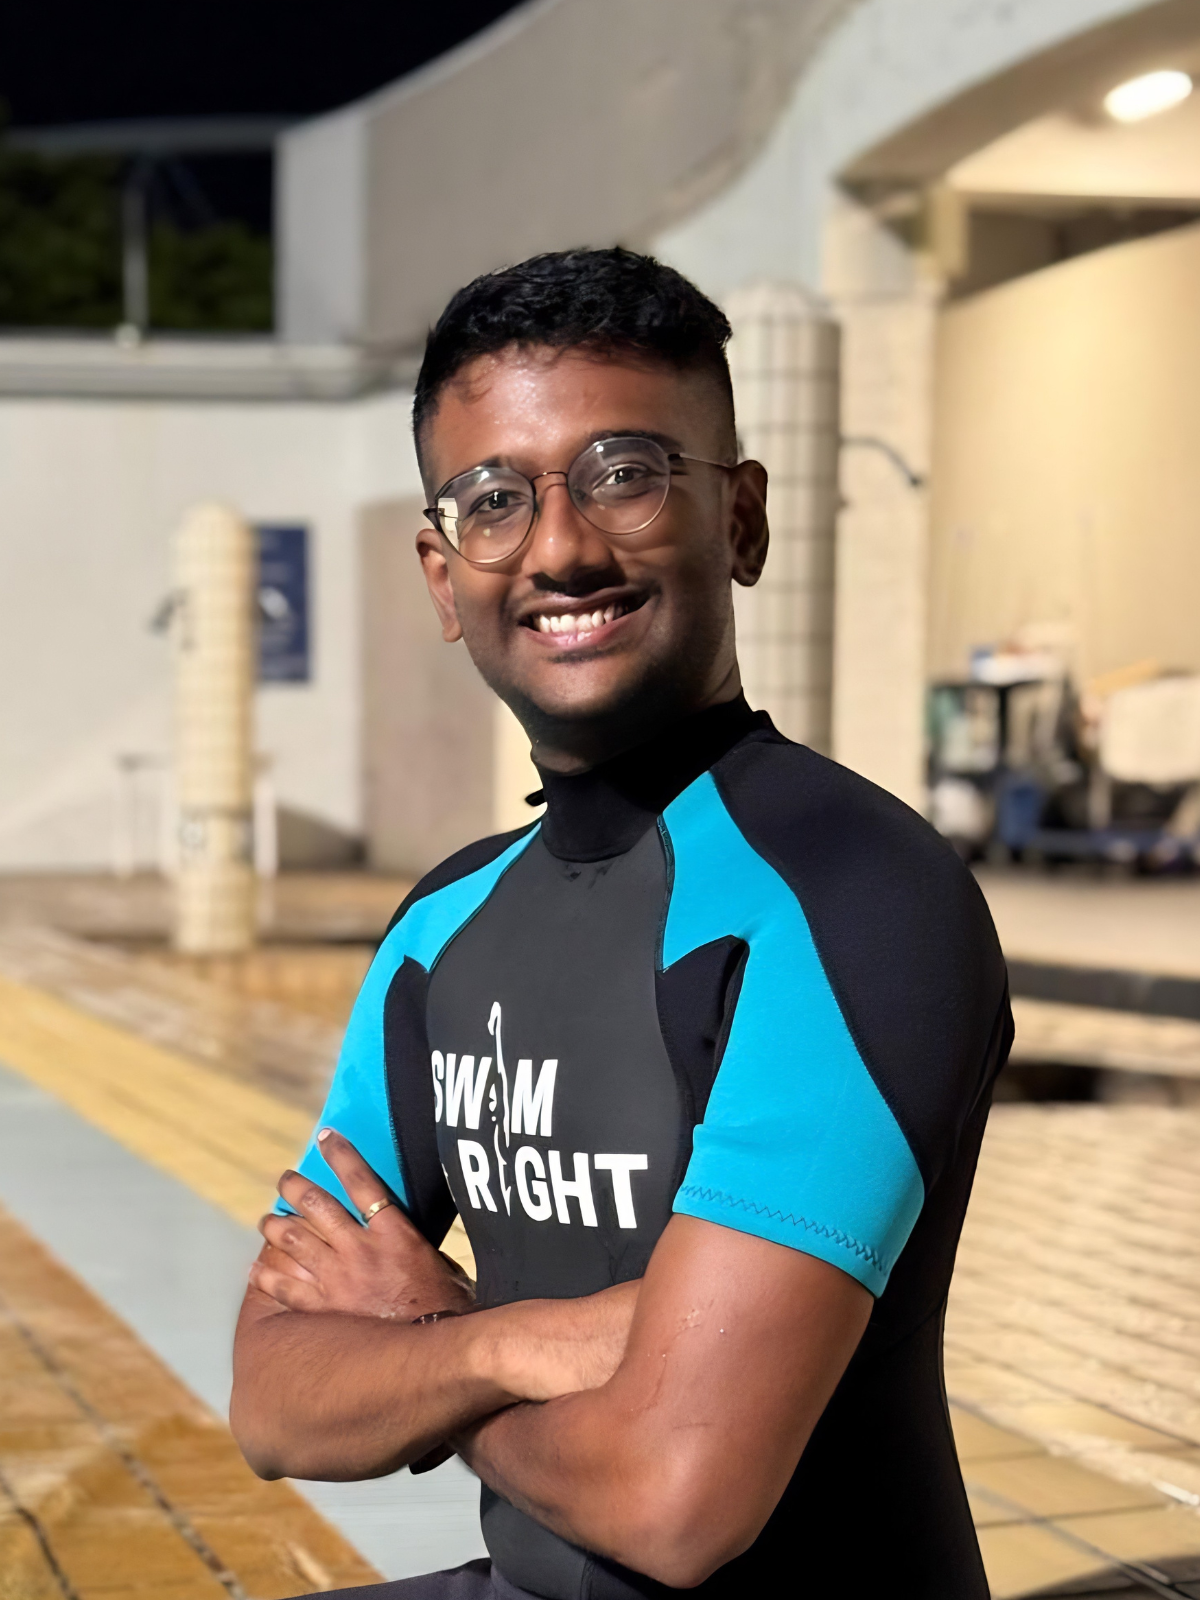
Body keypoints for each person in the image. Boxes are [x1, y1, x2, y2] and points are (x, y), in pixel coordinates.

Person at [230, 247, 1012, 1599]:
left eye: (626, 473)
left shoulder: (853, 900)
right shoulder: (440, 929)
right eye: (495, 499)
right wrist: (507, 1344)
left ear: (743, 521)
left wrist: (428, 1328)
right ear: (440, 570)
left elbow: (674, 1498)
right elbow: (274, 1398)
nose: (561, 547)